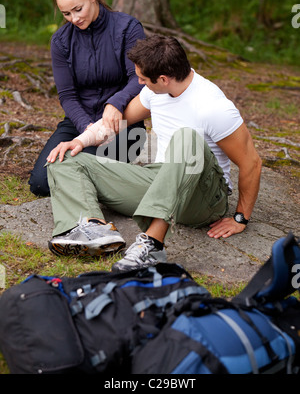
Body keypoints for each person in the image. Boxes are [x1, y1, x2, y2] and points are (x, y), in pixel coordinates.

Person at [46, 35, 262, 272]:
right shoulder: (154, 92)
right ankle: (91, 229)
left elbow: (251, 162)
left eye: (142, 78)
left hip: (204, 198)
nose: (138, 82)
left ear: (163, 79)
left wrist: (240, 218)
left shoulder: (213, 107)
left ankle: (152, 244)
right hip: (161, 179)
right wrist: (79, 140)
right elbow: (116, 123)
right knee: (64, 157)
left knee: (186, 137)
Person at [29, 0, 146, 197]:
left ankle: (99, 176)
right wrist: (86, 128)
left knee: (92, 171)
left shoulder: (128, 28)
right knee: (41, 183)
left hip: (123, 122)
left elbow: (139, 78)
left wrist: (116, 102)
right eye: (66, 14)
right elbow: (67, 96)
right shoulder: (61, 41)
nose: (74, 18)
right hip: (78, 122)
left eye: (78, 9)